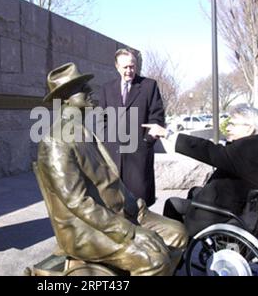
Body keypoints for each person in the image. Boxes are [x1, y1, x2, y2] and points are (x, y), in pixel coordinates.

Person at [35, 62, 187, 276]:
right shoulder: (56, 141)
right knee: (154, 260)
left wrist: (137, 208)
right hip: (84, 230)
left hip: (117, 213)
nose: (90, 91)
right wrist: (130, 231)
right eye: (82, 88)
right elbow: (78, 203)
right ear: (66, 98)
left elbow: (108, 179)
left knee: (177, 233)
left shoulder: (83, 130)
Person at [142, 105, 258, 245]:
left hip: (224, 214)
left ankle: (174, 252)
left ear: (249, 129)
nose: (228, 128)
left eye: (232, 124)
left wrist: (167, 134)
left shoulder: (246, 149)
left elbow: (208, 150)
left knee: (173, 203)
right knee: (194, 191)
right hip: (251, 214)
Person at [98, 48, 165, 207]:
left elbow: (157, 117)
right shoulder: (106, 89)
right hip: (113, 156)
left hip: (138, 156)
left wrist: (146, 141)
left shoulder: (149, 86)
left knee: (139, 206)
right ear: (117, 66)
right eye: (125, 67)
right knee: (114, 204)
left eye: (132, 66)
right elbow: (101, 117)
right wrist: (106, 140)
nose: (129, 70)